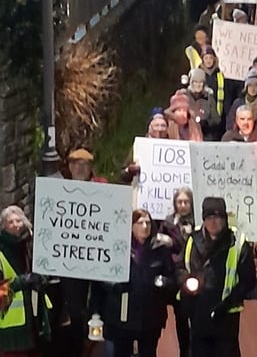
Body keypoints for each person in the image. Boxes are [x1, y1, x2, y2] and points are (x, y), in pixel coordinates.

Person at [177, 197, 256, 357]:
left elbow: (248, 280)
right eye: (209, 217)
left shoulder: (237, 243)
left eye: (218, 217)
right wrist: (186, 282)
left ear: (225, 219)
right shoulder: (193, 240)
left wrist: (227, 303)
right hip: (198, 312)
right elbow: (180, 268)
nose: (214, 222)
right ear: (204, 219)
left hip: (226, 316)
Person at [90, 209, 175, 357]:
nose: (145, 226)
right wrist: (115, 285)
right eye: (140, 222)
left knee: (148, 352)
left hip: (150, 316)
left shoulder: (161, 248)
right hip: (122, 314)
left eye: (148, 222)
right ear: (130, 225)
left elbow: (172, 276)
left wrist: (165, 283)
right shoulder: (117, 247)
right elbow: (101, 276)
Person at [0, 206, 51, 357]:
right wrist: (24, 281)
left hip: (33, 317)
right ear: (2, 225)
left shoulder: (27, 245)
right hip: (12, 323)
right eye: (10, 222)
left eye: (18, 220)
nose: (15, 225)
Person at [59, 148, 107, 357]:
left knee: (98, 303)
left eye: (84, 165)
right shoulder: (60, 190)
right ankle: (79, 344)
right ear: (69, 167)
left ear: (90, 168)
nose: (80, 168)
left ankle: (95, 343)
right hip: (72, 260)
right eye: (76, 164)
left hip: (98, 258)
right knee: (75, 306)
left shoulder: (102, 187)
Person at [222, 105, 257, 211]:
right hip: (233, 181)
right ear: (237, 120)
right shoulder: (228, 137)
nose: (245, 123)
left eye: (249, 119)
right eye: (242, 119)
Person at [159, 189, 195, 357]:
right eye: (179, 202)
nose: (182, 205)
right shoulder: (168, 222)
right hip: (174, 277)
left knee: (194, 317)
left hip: (193, 276)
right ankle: (183, 351)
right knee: (180, 317)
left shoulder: (198, 223)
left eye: (185, 202)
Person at [120, 107, 169, 183]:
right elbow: (123, 174)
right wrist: (129, 171)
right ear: (149, 127)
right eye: (156, 125)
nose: (160, 129)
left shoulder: (174, 147)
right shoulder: (139, 146)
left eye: (163, 126)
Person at [184, 68, 221, 141]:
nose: (198, 85)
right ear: (191, 82)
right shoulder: (184, 96)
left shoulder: (209, 98)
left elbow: (216, 119)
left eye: (201, 82)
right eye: (195, 82)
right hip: (186, 135)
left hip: (205, 136)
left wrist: (206, 122)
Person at [199, 46, 225, 118]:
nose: (208, 61)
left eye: (210, 58)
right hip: (201, 114)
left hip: (216, 115)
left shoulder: (219, 75)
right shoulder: (198, 73)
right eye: (206, 58)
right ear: (202, 60)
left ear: (214, 59)